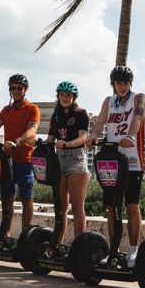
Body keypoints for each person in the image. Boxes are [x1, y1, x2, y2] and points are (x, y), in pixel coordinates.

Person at [86, 66, 145, 268]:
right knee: (112, 207)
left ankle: (133, 250)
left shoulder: (138, 98)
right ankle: (113, 250)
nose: (122, 86)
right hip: (112, 159)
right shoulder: (108, 101)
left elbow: (137, 118)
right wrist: (93, 135)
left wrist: (130, 136)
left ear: (130, 83)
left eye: (125, 82)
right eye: (118, 83)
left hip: (132, 160)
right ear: (113, 84)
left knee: (131, 205)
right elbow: (101, 121)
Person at [0, 74, 40, 240]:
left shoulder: (32, 109)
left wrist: (16, 142)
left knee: (26, 198)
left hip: (25, 160)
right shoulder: (6, 110)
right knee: (7, 197)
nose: (17, 91)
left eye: (20, 88)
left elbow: (32, 131)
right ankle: (5, 232)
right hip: (7, 160)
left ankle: (26, 234)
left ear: (25, 90)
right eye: (13, 88)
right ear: (10, 91)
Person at [46, 81, 90, 253]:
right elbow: (51, 137)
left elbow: (83, 138)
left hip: (76, 159)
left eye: (69, 95)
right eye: (62, 95)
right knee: (61, 207)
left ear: (74, 97)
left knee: (77, 206)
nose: (65, 98)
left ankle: (80, 246)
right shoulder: (56, 114)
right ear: (58, 96)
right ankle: (58, 244)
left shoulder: (81, 113)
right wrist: (42, 144)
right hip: (59, 159)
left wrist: (68, 144)